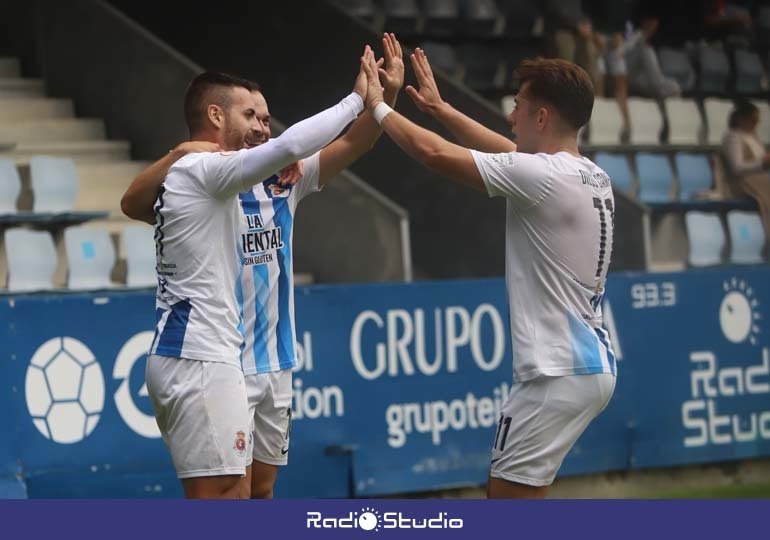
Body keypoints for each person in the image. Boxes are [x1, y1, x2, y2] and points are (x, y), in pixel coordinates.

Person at [121, 36, 404, 499]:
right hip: (219, 356)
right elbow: (133, 202)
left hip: (273, 359)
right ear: (217, 117)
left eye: (266, 119)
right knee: (228, 491)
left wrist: (384, 98)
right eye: (251, 116)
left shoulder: (280, 177)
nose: (262, 126)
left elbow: (356, 143)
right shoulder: (204, 175)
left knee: (260, 488)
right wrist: (359, 98)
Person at [360, 50, 617, 498]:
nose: (510, 114)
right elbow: (509, 151)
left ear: (542, 116)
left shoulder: (544, 177)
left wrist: (377, 105)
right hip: (586, 364)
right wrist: (442, 110)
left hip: (555, 369)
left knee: (506, 500)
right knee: (516, 497)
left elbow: (432, 153)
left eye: (517, 105)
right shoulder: (590, 174)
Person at [722, 99, 770, 240]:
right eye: (753, 119)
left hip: (760, 177)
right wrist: (762, 165)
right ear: (741, 119)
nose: (756, 123)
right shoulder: (733, 137)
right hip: (743, 182)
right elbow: (737, 167)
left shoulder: (755, 137)